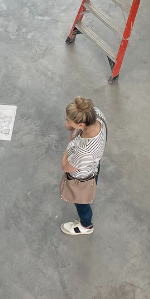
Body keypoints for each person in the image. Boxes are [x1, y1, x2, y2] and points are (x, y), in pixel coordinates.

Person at [61, 97, 107, 236]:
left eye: (68, 119)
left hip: (81, 178)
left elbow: (66, 166)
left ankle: (86, 226)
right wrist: (71, 126)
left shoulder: (84, 150)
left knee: (82, 205)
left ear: (81, 124)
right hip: (93, 166)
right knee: (88, 195)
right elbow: (71, 127)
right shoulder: (96, 114)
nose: (66, 121)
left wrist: (68, 147)